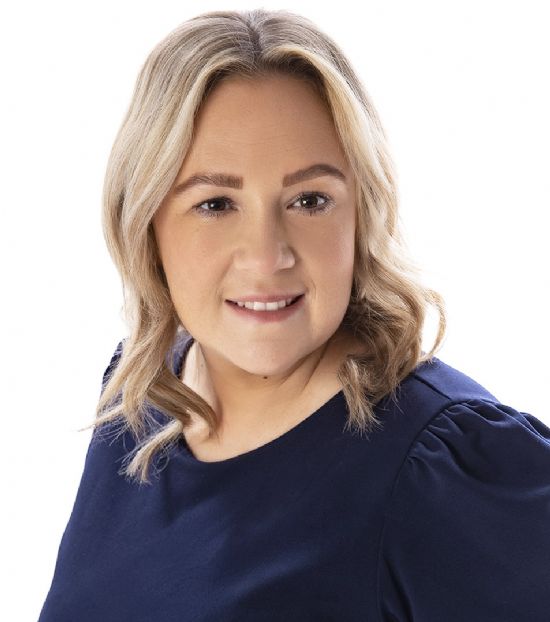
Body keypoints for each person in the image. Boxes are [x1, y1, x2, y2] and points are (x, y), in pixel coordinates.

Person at [38, 8, 550, 622]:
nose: (266, 256)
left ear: (362, 211)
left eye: (309, 200)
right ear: (146, 222)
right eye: (216, 203)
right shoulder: (140, 396)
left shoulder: (447, 469)